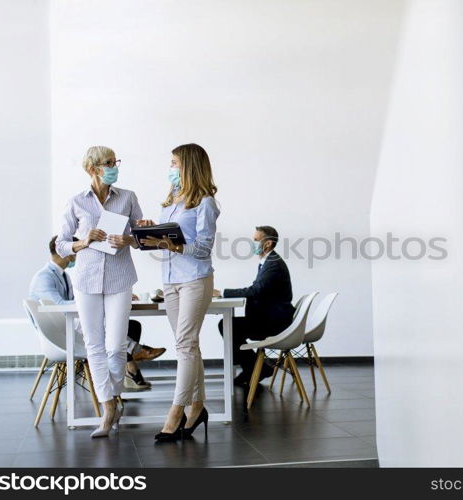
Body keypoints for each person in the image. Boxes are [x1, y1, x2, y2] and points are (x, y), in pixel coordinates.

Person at [56, 145, 143, 438]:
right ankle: (108, 407)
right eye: (109, 162)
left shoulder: (128, 197)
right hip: (87, 279)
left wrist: (128, 239)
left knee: (116, 346)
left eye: (115, 161)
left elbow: (143, 239)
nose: (114, 166)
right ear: (94, 168)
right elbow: (61, 245)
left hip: (120, 278)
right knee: (93, 345)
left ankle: (114, 396)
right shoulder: (77, 202)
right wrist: (84, 241)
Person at [138, 143, 219, 442]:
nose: (170, 168)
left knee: (185, 345)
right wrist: (152, 230)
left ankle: (176, 412)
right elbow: (167, 236)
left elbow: (203, 249)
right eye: (170, 163)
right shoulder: (171, 199)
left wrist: (174, 245)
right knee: (188, 345)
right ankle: (197, 407)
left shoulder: (205, 203)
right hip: (170, 281)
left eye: (174, 163)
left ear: (189, 166)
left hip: (195, 279)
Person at [29, 235, 166, 391]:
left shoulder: (63, 275)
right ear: (66, 252)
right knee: (103, 325)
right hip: (61, 333)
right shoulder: (44, 277)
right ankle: (135, 354)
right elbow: (59, 306)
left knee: (130, 325)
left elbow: (75, 300)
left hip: (70, 325)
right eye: (78, 250)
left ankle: (129, 369)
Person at [213, 226, 295, 386]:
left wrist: (222, 292)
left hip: (274, 322)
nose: (253, 243)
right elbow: (258, 290)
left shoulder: (273, 264)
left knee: (228, 325)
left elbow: (255, 290)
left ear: (268, 244)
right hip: (269, 318)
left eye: (256, 240)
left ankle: (254, 368)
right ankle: (255, 367)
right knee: (229, 325)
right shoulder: (269, 262)